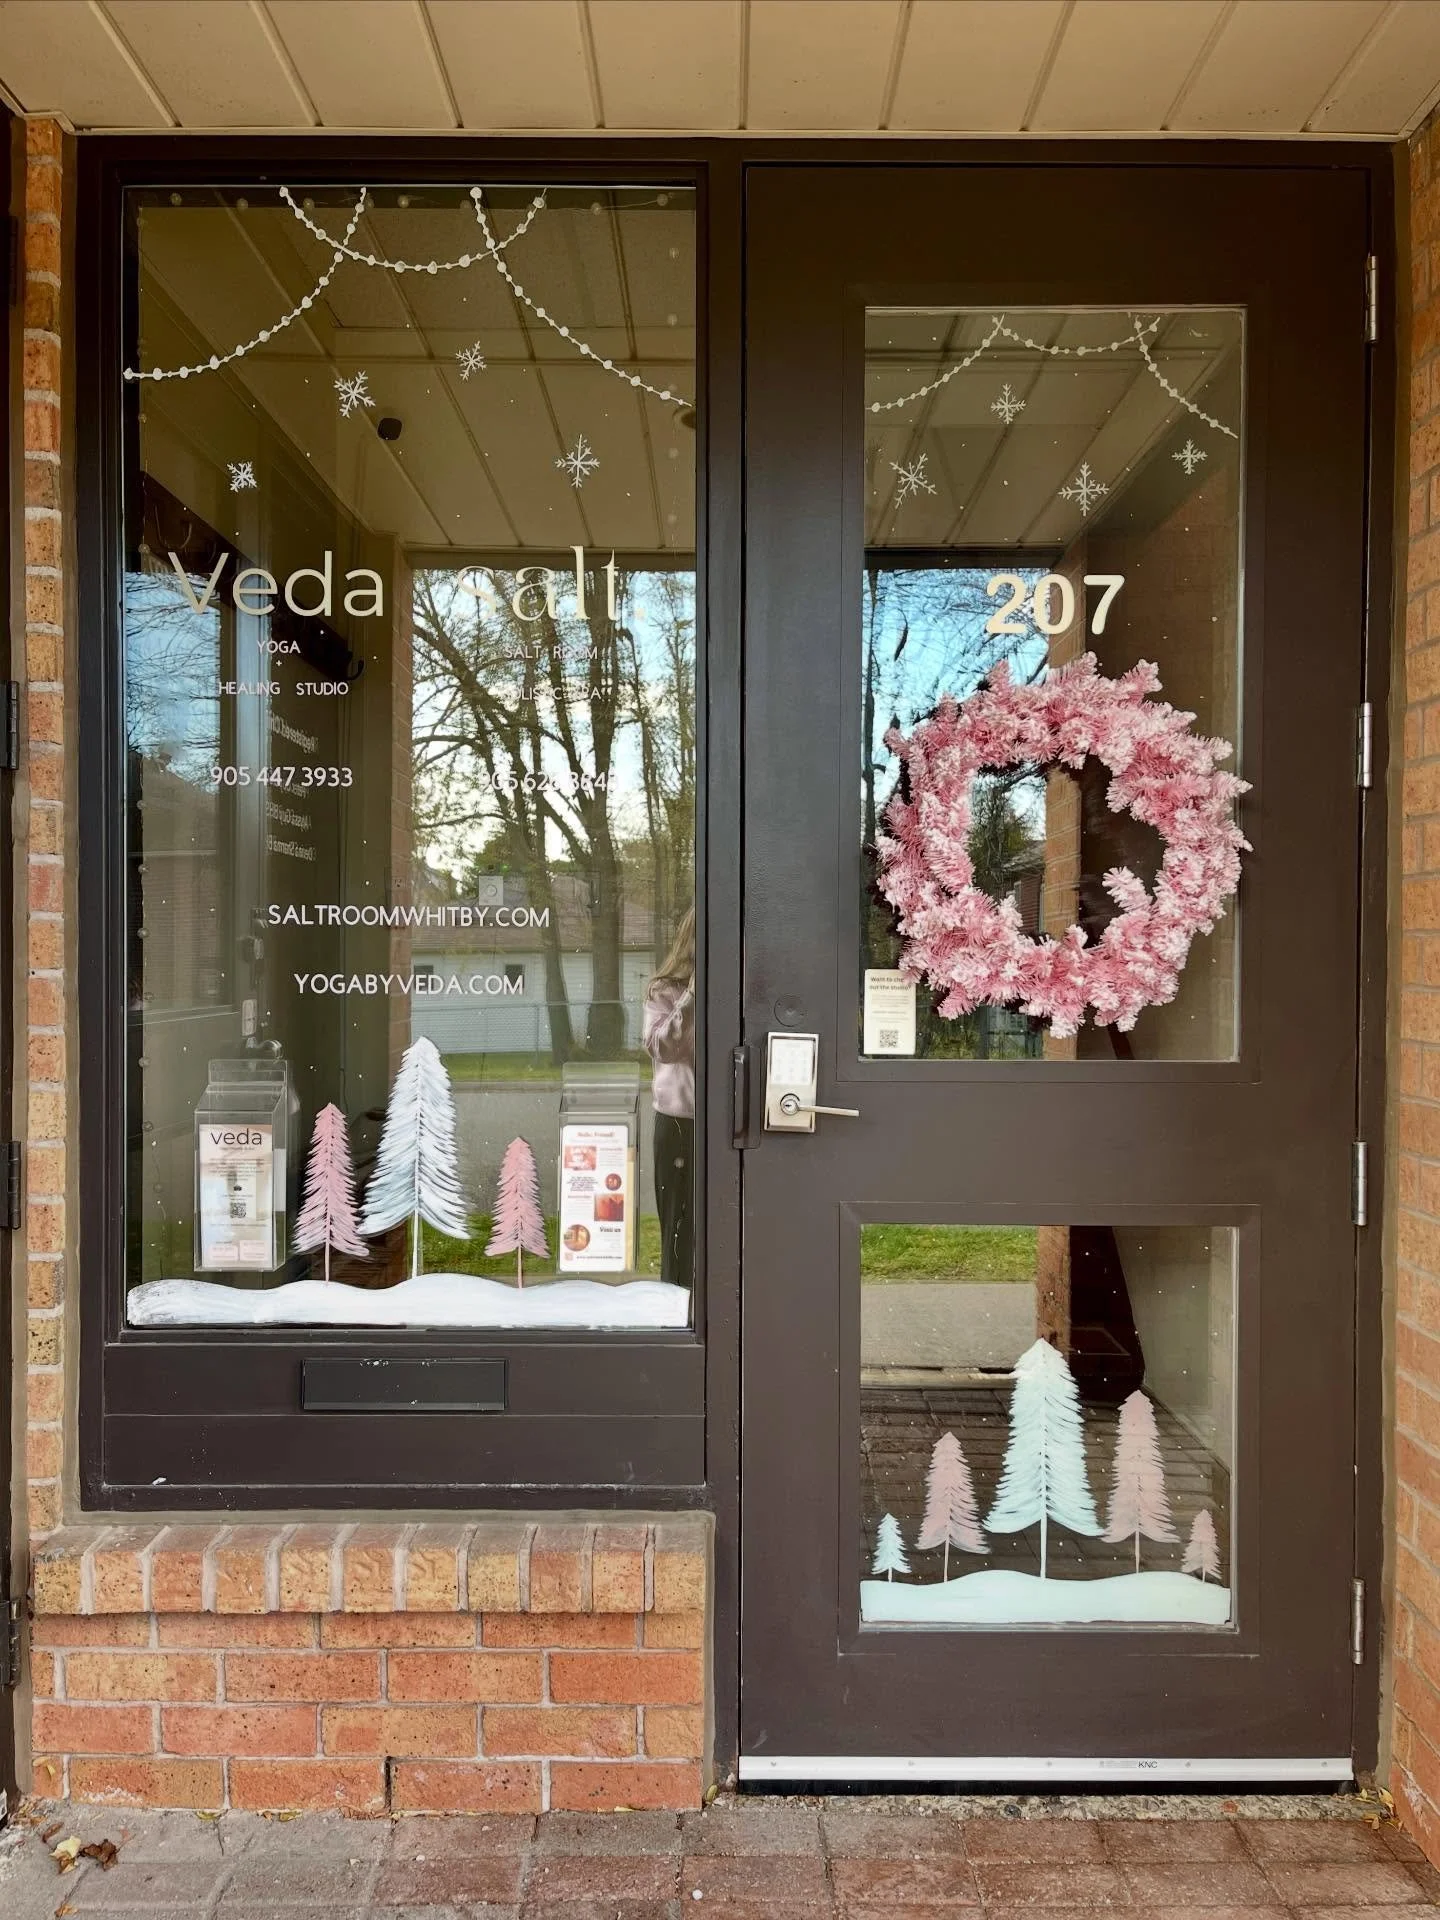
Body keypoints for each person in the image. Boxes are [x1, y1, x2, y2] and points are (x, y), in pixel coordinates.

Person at [643, 906, 695, 1290]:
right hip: (680, 1126)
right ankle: (679, 1316)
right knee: (679, 1233)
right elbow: (664, 1048)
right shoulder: (665, 990)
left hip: (729, 1124)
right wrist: (693, 994)